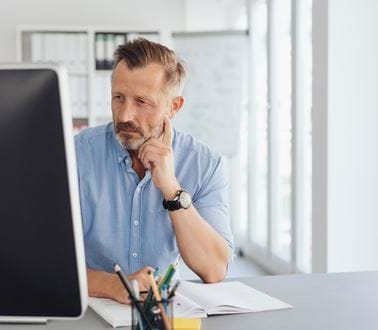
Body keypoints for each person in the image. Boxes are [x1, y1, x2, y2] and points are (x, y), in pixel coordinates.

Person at [75, 38, 234, 304]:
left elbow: (214, 269)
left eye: (141, 102)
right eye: (118, 98)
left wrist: (171, 187)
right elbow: (42, 260)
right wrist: (113, 285)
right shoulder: (76, 154)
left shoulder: (205, 163)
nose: (125, 115)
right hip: (91, 307)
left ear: (174, 106)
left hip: (163, 311)